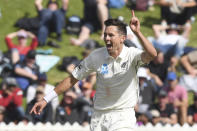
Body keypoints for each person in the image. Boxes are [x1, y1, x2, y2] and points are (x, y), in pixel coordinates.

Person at [30, 10, 157, 130]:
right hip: (99, 116)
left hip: (123, 115)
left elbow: (152, 54)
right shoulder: (96, 56)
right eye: (105, 35)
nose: (106, 38)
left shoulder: (132, 55)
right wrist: (46, 99)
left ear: (122, 38)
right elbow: (72, 79)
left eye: (111, 35)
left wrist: (138, 33)